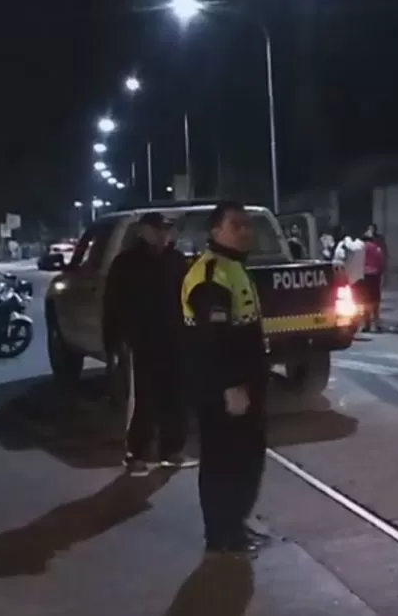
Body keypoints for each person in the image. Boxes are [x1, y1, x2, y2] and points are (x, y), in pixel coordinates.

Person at [182, 201, 269, 555]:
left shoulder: (235, 268)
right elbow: (211, 340)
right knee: (224, 461)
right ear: (216, 231)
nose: (245, 231)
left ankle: (236, 525)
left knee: (247, 458)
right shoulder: (211, 274)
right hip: (222, 390)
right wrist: (230, 386)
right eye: (237, 225)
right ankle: (220, 535)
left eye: (248, 225)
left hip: (246, 386)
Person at [106, 213, 194, 475]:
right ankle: (136, 453)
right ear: (143, 231)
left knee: (175, 396)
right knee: (143, 398)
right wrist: (113, 342)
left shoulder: (177, 261)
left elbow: (189, 299)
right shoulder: (126, 263)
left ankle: (172, 450)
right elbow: (112, 305)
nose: (164, 235)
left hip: (174, 339)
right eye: (158, 230)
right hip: (140, 342)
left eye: (167, 230)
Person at [360, 226, 385, 331]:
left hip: (364, 276)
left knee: (365, 301)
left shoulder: (360, 248)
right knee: (375, 301)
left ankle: (367, 324)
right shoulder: (377, 248)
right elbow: (381, 262)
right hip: (375, 276)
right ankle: (378, 324)